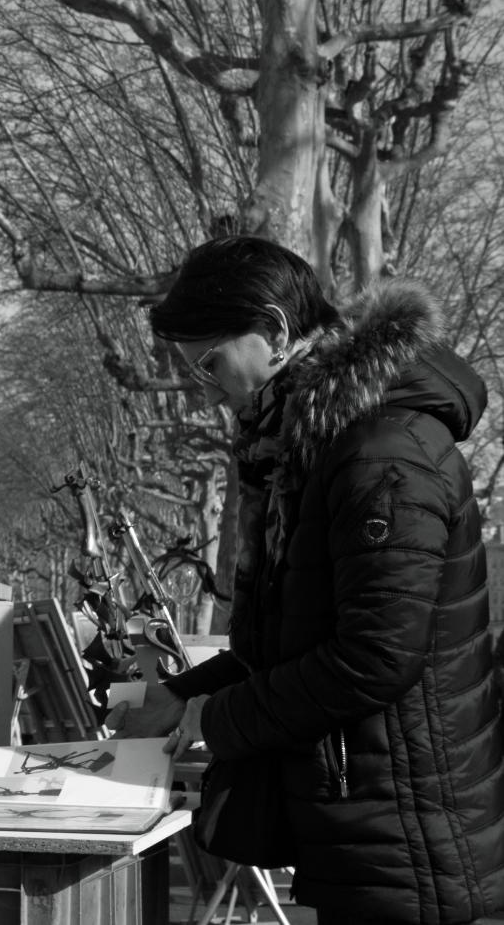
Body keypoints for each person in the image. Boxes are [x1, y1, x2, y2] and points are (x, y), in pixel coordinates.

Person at [113, 235, 503, 925]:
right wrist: (179, 696)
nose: (208, 393)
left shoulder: (381, 454)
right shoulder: (312, 446)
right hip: (369, 815)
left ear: (274, 330)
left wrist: (213, 716)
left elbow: (374, 658)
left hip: (408, 825)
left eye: (211, 364)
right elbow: (286, 646)